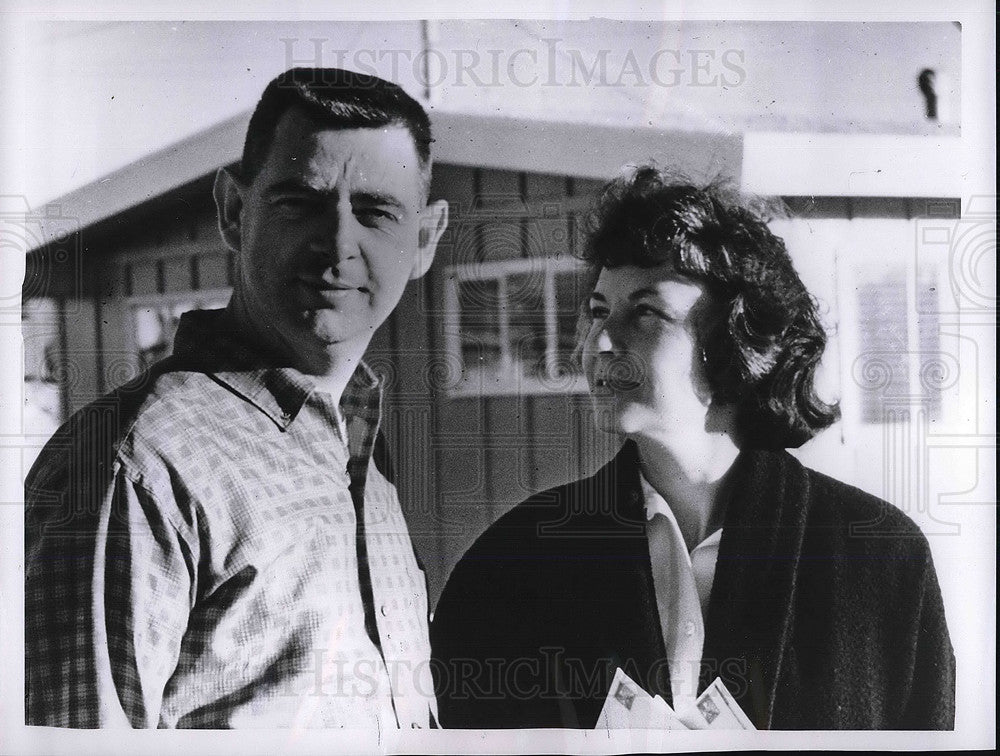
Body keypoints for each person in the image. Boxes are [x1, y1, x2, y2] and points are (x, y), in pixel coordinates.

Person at [430, 168, 955, 729]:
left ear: (736, 340)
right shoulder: (509, 566)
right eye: (600, 311)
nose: (599, 343)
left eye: (645, 312)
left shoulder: (882, 559)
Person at [25, 67, 449, 728]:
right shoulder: (139, 463)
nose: (339, 244)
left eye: (375, 211)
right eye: (299, 203)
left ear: (424, 239)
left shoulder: (358, 449)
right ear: (232, 211)